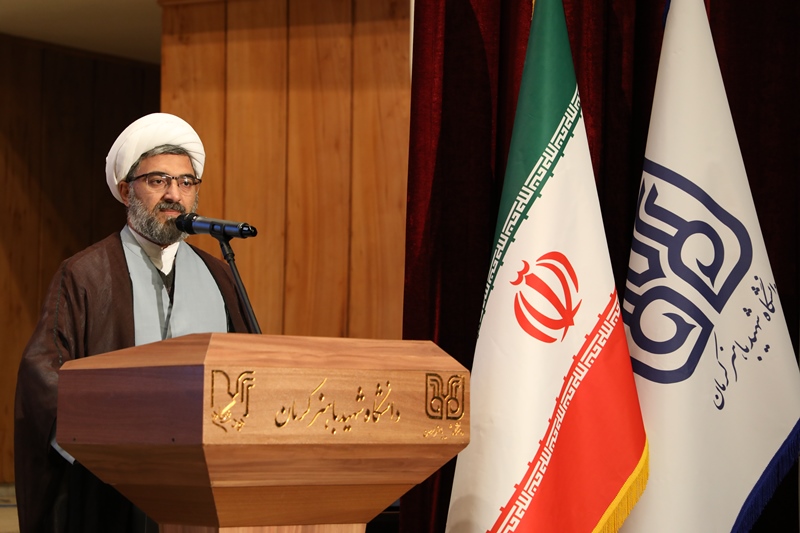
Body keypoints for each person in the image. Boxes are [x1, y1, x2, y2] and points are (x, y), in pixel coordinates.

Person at [14, 113, 254, 532]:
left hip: (205, 485)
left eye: (186, 182)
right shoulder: (86, 274)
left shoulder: (218, 275)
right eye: (158, 181)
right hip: (115, 489)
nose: (174, 195)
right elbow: (43, 373)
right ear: (127, 191)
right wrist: (107, 441)